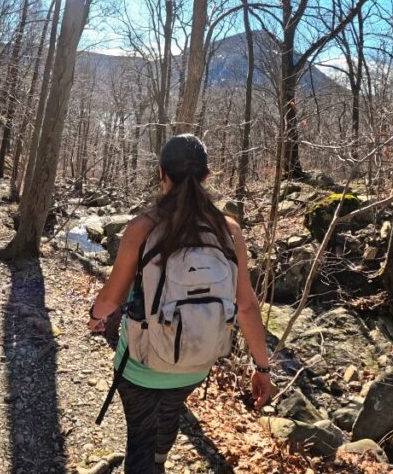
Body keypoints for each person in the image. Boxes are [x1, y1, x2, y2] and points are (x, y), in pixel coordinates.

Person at [87, 134, 273, 474]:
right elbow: (246, 306)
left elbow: (111, 299)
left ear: (162, 173)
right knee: (169, 411)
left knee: (140, 435)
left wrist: (96, 317)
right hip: (196, 358)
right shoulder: (228, 230)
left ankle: (148, 465)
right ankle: (159, 461)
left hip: (142, 362)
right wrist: (262, 369)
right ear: (206, 176)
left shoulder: (144, 226)